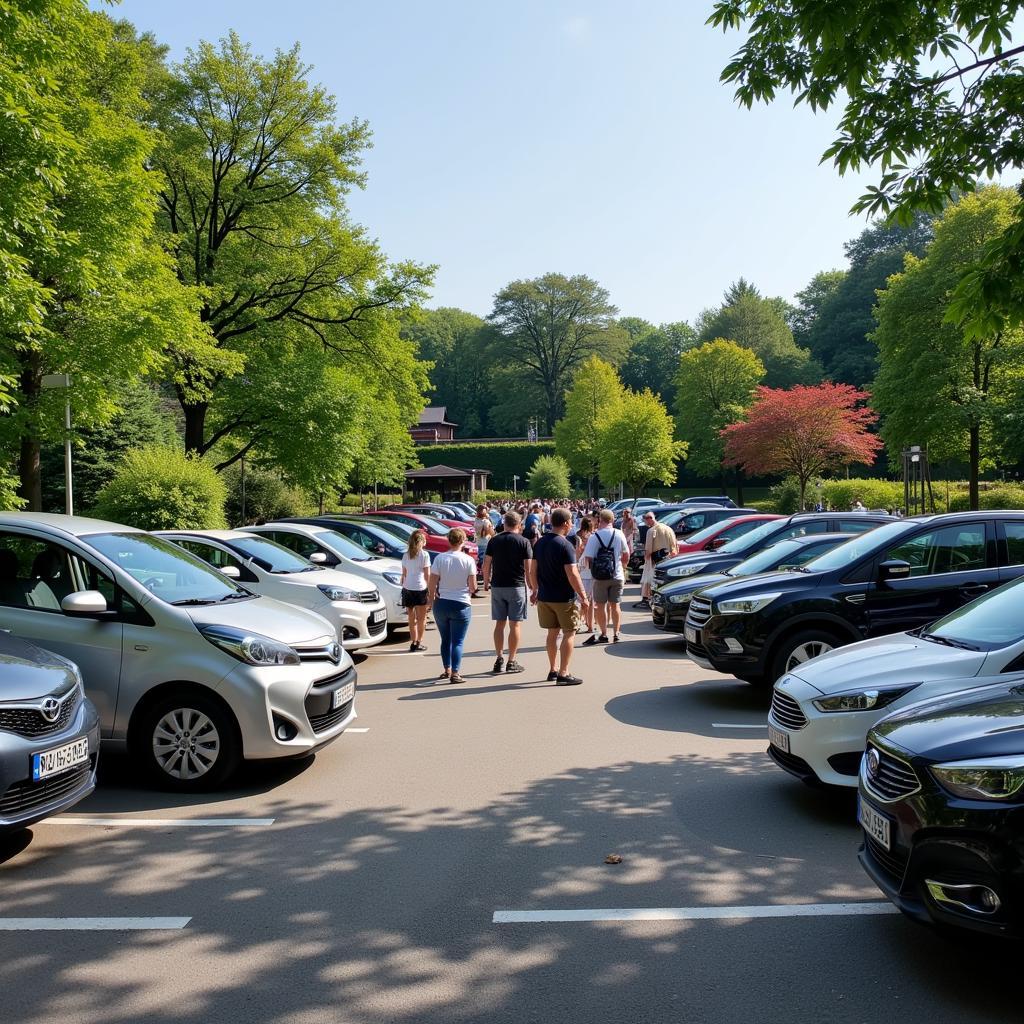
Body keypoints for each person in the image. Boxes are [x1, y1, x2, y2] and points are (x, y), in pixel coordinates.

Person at [533, 508, 590, 686]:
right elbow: (572, 573)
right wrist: (583, 596)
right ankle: (564, 672)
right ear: (565, 523)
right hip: (564, 597)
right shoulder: (565, 545)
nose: (572, 524)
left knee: (552, 633)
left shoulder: (540, 543)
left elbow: (532, 569)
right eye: (571, 521)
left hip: (545, 596)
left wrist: (535, 589)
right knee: (569, 633)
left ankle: (553, 669)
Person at [482, 510, 535, 674]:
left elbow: (486, 564)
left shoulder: (494, 541)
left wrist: (485, 582)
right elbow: (528, 568)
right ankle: (511, 660)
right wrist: (532, 587)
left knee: (499, 624)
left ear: (504, 524)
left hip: (498, 585)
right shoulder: (524, 542)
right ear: (519, 525)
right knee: (515, 624)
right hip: (516, 586)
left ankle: (499, 658)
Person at [427, 528, 477, 684]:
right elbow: (473, 586)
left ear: (449, 540)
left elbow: (432, 582)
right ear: (462, 541)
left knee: (445, 639)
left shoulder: (440, 559)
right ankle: (455, 673)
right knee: (458, 641)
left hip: (442, 603)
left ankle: (446, 669)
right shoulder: (468, 560)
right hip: (461, 603)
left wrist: (431, 597)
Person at [582, 508, 630, 644]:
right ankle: (616, 633)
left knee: (600, 606)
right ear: (612, 520)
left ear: (599, 520)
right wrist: (623, 567)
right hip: (617, 574)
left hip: (600, 577)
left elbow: (588, 558)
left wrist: (595, 570)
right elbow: (626, 554)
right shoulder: (619, 534)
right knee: (615, 605)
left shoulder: (594, 536)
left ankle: (604, 634)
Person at [634, 510, 677, 609]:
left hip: (655, 560)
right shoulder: (668, 528)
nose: (645, 523)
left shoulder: (651, 531)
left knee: (649, 579)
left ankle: (647, 598)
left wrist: (646, 560)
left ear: (649, 519)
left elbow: (648, 549)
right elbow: (674, 545)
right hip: (668, 559)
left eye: (645, 521)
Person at [400, 529, 431, 652]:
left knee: (411, 618)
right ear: (421, 542)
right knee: (422, 618)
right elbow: (427, 574)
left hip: (408, 587)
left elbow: (404, 573)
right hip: (420, 587)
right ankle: (419, 642)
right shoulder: (424, 555)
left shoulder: (405, 555)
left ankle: (413, 641)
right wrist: (429, 588)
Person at [575, 515, 596, 635]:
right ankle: (590, 625)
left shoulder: (578, 537)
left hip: (581, 571)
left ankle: (578, 622)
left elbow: (577, 555)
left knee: (580, 600)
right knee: (591, 601)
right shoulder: (594, 537)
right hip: (592, 572)